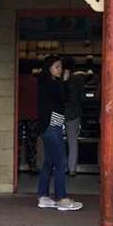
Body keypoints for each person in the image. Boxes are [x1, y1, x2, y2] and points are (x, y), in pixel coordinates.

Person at [36, 55, 82, 211]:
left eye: (60, 67)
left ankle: (43, 197)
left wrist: (65, 82)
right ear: (48, 68)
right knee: (61, 161)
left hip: (52, 126)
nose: (60, 69)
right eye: (56, 67)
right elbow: (62, 97)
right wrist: (65, 81)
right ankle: (61, 198)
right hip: (51, 126)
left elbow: (65, 98)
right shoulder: (48, 82)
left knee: (49, 162)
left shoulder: (52, 82)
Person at [62, 57, 85, 176]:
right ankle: (72, 169)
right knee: (72, 141)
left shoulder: (57, 78)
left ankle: (58, 166)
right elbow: (82, 97)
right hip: (74, 112)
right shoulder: (79, 79)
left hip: (59, 112)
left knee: (57, 140)